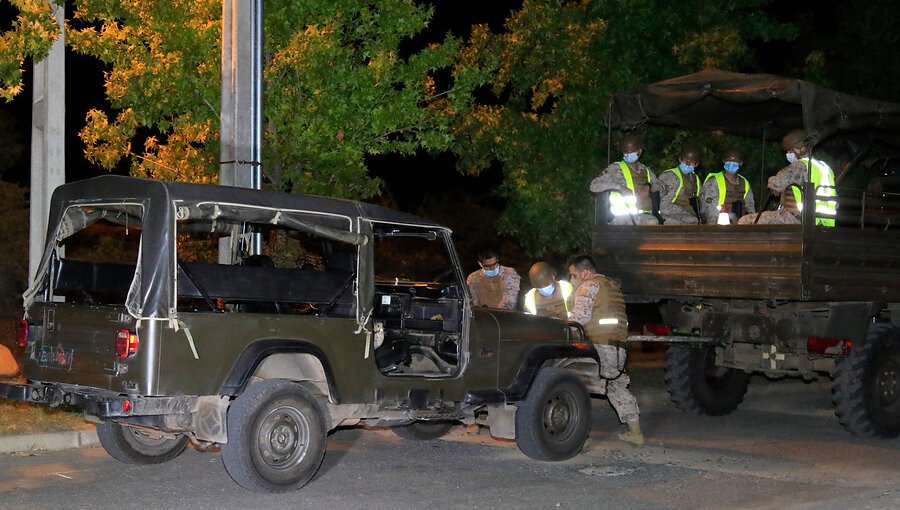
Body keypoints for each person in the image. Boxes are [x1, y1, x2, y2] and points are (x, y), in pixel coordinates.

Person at [567, 255, 643, 446]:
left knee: (578, 386)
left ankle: (579, 437)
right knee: (615, 386)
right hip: (616, 345)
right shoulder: (610, 284)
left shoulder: (588, 286)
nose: (572, 279)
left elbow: (579, 319)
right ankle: (635, 432)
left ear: (584, 272)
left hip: (600, 345)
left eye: (573, 275)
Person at [742, 129, 836, 226]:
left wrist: (772, 183)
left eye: (790, 150)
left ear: (801, 148)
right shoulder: (824, 166)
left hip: (800, 218)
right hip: (825, 221)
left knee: (746, 220)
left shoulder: (799, 165)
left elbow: (777, 183)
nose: (788, 153)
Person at [590, 133, 659, 225]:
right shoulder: (615, 168)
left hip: (644, 218)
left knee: (654, 223)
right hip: (621, 220)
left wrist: (648, 186)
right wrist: (620, 187)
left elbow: (662, 188)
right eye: (625, 152)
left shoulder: (647, 170)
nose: (628, 154)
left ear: (639, 151)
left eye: (631, 152)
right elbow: (594, 185)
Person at [700, 148, 756, 224]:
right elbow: (709, 207)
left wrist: (751, 222)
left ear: (740, 163)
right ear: (724, 161)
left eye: (735, 161)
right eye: (729, 161)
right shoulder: (714, 181)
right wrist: (715, 223)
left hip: (741, 222)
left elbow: (750, 205)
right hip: (720, 221)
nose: (732, 163)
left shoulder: (744, 183)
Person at [657, 145, 703, 224]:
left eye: (691, 162)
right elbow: (663, 205)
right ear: (680, 159)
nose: (687, 164)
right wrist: (687, 212)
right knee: (691, 221)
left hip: (687, 214)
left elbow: (701, 200)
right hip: (669, 213)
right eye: (685, 160)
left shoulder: (696, 179)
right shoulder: (670, 176)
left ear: (696, 164)